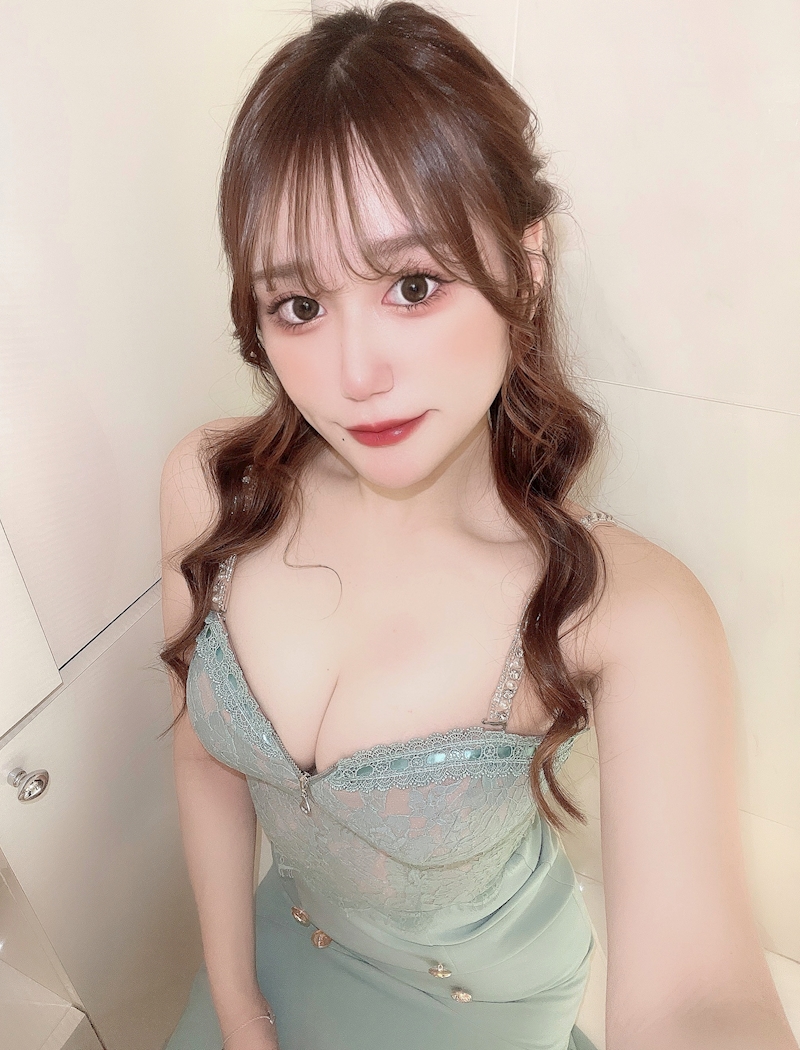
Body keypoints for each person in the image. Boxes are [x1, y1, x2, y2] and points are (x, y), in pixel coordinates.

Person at [158, 4, 796, 1049]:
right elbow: (204, 762)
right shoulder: (211, 489)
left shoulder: (625, 609)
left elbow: (697, 995)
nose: (355, 374)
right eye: (299, 306)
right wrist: (236, 1007)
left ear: (525, 267)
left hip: (477, 1003)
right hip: (276, 946)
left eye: (413, 286)